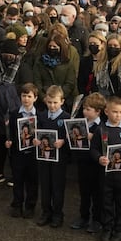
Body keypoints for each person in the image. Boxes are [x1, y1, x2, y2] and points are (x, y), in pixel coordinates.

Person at [90, 94, 121, 241]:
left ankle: (119, 228)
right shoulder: (101, 130)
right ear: (106, 112)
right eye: (115, 112)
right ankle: (107, 228)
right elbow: (94, 149)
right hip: (106, 176)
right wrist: (99, 158)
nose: (118, 115)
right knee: (106, 202)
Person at [5, 83, 44, 219]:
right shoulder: (14, 114)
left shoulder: (40, 115)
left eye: (29, 96)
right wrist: (9, 141)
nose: (26, 99)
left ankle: (30, 206)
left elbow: (44, 134)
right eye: (23, 96)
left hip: (34, 154)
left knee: (32, 181)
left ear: (35, 98)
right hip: (18, 153)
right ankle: (17, 205)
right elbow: (11, 133)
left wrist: (38, 141)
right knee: (18, 180)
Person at [70, 93, 104, 234]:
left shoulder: (102, 127)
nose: (85, 111)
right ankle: (83, 217)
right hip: (83, 162)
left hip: (95, 165)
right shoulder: (80, 123)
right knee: (84, 192)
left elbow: (105, 145)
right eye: (84, 108)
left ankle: (97, 220)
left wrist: (94, 137)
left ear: (98, 111)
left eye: (89, 109)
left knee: (97, 193)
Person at [36, 85, 69, 228]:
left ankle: (57, 214)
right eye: (49, 102)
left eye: (55, 102)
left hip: (59, 160)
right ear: (45, 101)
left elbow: (72, 139)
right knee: (45, 185)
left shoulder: (66, 117)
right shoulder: (41, 116)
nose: (52, 105)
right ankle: (46, 212)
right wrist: (35, 140)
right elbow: (36, 132)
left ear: (62, 101)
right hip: (44, 158)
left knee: (57, 186)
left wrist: (64, 141)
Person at [33, 33, 78, 107]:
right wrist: (44, 97)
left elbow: (69, 84)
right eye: (50, 46)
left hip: (62, 102)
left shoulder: (68, 63)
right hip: (43, 102)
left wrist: (58, 98)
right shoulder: (40, 62)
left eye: (54, 46)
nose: (52, 48)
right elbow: (37, 81)